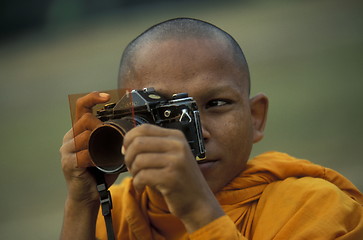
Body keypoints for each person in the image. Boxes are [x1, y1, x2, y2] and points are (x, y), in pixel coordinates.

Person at [59, 18, 363, 240]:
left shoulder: (311, 206)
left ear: (255, 117)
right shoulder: (114, 213)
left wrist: (197, 209)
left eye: (216, 103)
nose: (196, 133)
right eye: (164, 113)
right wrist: (81, 203)